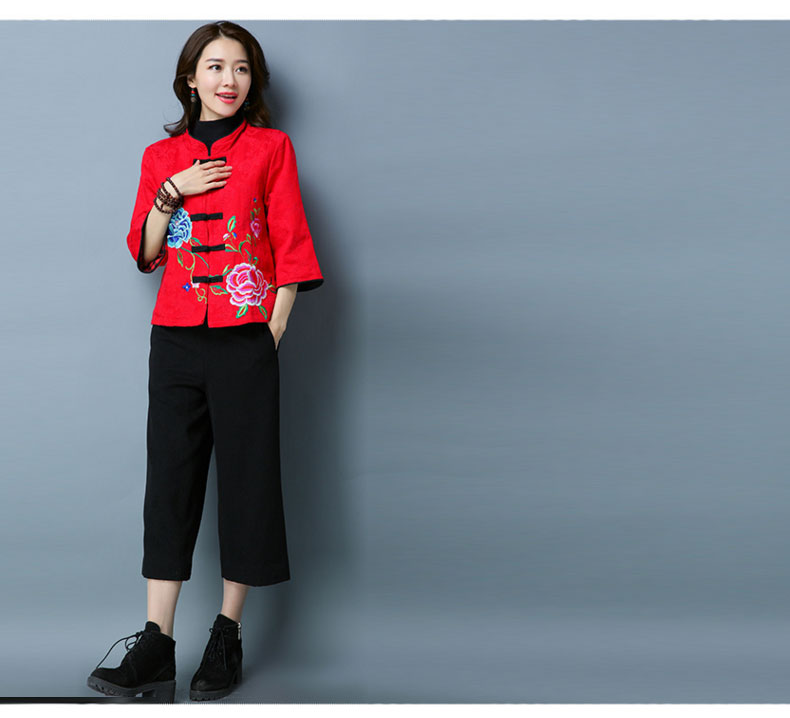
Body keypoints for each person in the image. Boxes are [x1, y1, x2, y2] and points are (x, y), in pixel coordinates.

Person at [86, 21, 324, 703]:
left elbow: (291, 243)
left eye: (242, 68)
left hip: (246, 336)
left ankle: (227, 634)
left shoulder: (273, 148)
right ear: (190, 79)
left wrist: (271, 329)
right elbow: (145, 252)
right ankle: (156, 644)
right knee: (170, 482)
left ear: (254, 81)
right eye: (215, 66)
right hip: (177, 337)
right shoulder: (160, 157)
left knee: (247, 482)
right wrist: (174, 190)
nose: (229, 80)